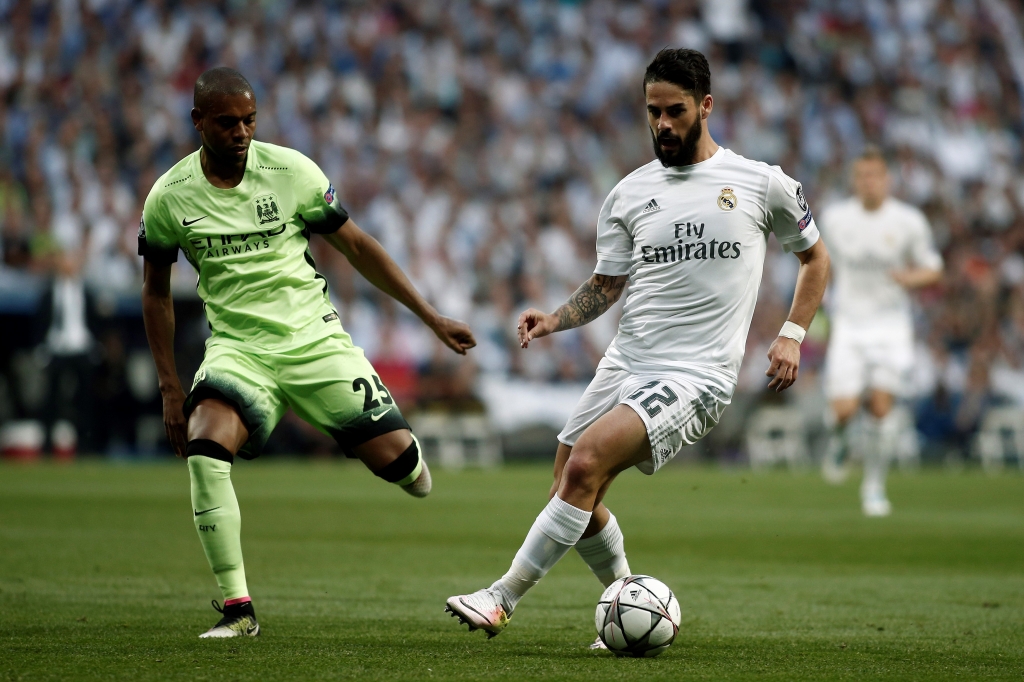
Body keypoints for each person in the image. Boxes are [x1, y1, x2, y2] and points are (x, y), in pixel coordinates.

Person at [444, 49, 830, 643]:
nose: (662, 125)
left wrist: (791, 334)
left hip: (698, 374)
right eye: (652, 112)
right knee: (569, 486)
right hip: (627, 361)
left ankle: (501, 598)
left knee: (586, 462)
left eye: (675, 111)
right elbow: (607, 284)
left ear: (705, 106)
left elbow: (815, 258)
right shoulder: (628, 194)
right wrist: (553, 319)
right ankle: (629, 600)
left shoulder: (760, 182)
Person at [139, 68, 475, 638]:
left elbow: (359, 246)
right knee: (204, 446)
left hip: (315, 341)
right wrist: (172, 387)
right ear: (198, 122)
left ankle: (385, 447)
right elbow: (155, 294)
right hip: (239, 351)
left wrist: (431, 317)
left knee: (405, 470)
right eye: (227, 122)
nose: (241, 132)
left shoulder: (291, 171)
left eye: (249, 120)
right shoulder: (169, 199)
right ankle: (237, 610)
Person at [819, 147, 942, 516]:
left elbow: (933, 267)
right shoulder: (836, 218)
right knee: (843, 410)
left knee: (880, 408)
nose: (868, 182)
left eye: (875, 175)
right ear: (854, 180)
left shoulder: (908, 221)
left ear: (886, 179)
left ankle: (873, 486)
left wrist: (910, 276)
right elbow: (821, 263)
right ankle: (840, 439)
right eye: (862, 176)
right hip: (849, 324)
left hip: (890, 325)